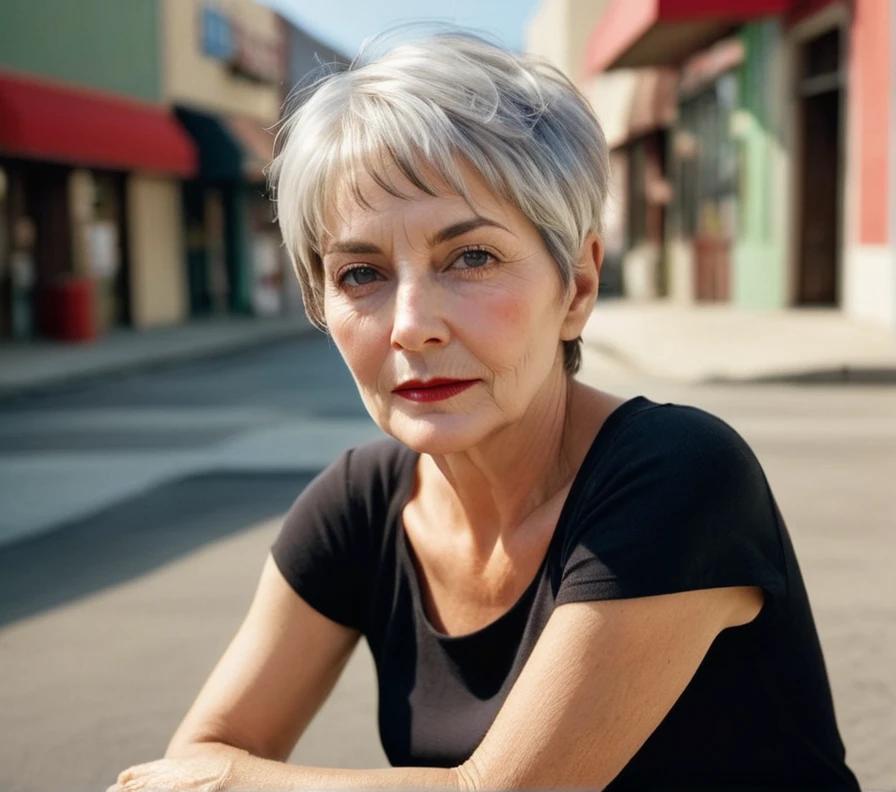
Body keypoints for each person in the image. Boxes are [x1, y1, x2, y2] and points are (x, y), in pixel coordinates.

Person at [109, 30, 860, 792]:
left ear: (576, 287)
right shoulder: (359, 506)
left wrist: (237, 784)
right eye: (361, 273)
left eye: (471, 258)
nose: (410, 324)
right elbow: (200, 750)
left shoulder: (680, 473)